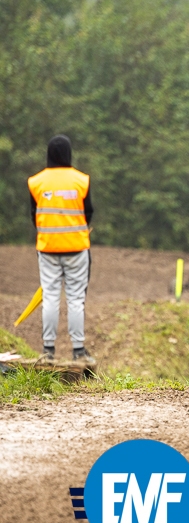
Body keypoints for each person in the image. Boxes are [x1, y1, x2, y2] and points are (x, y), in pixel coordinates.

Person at [28, 135, 94, 365]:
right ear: (68, 154)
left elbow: (34, 215)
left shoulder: (36, 182)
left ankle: (48, 350)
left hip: (47, 249)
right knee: (75, 299)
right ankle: (78, 351)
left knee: (50, 297)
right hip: (76, 248)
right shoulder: (81, 180)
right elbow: (88, 212)